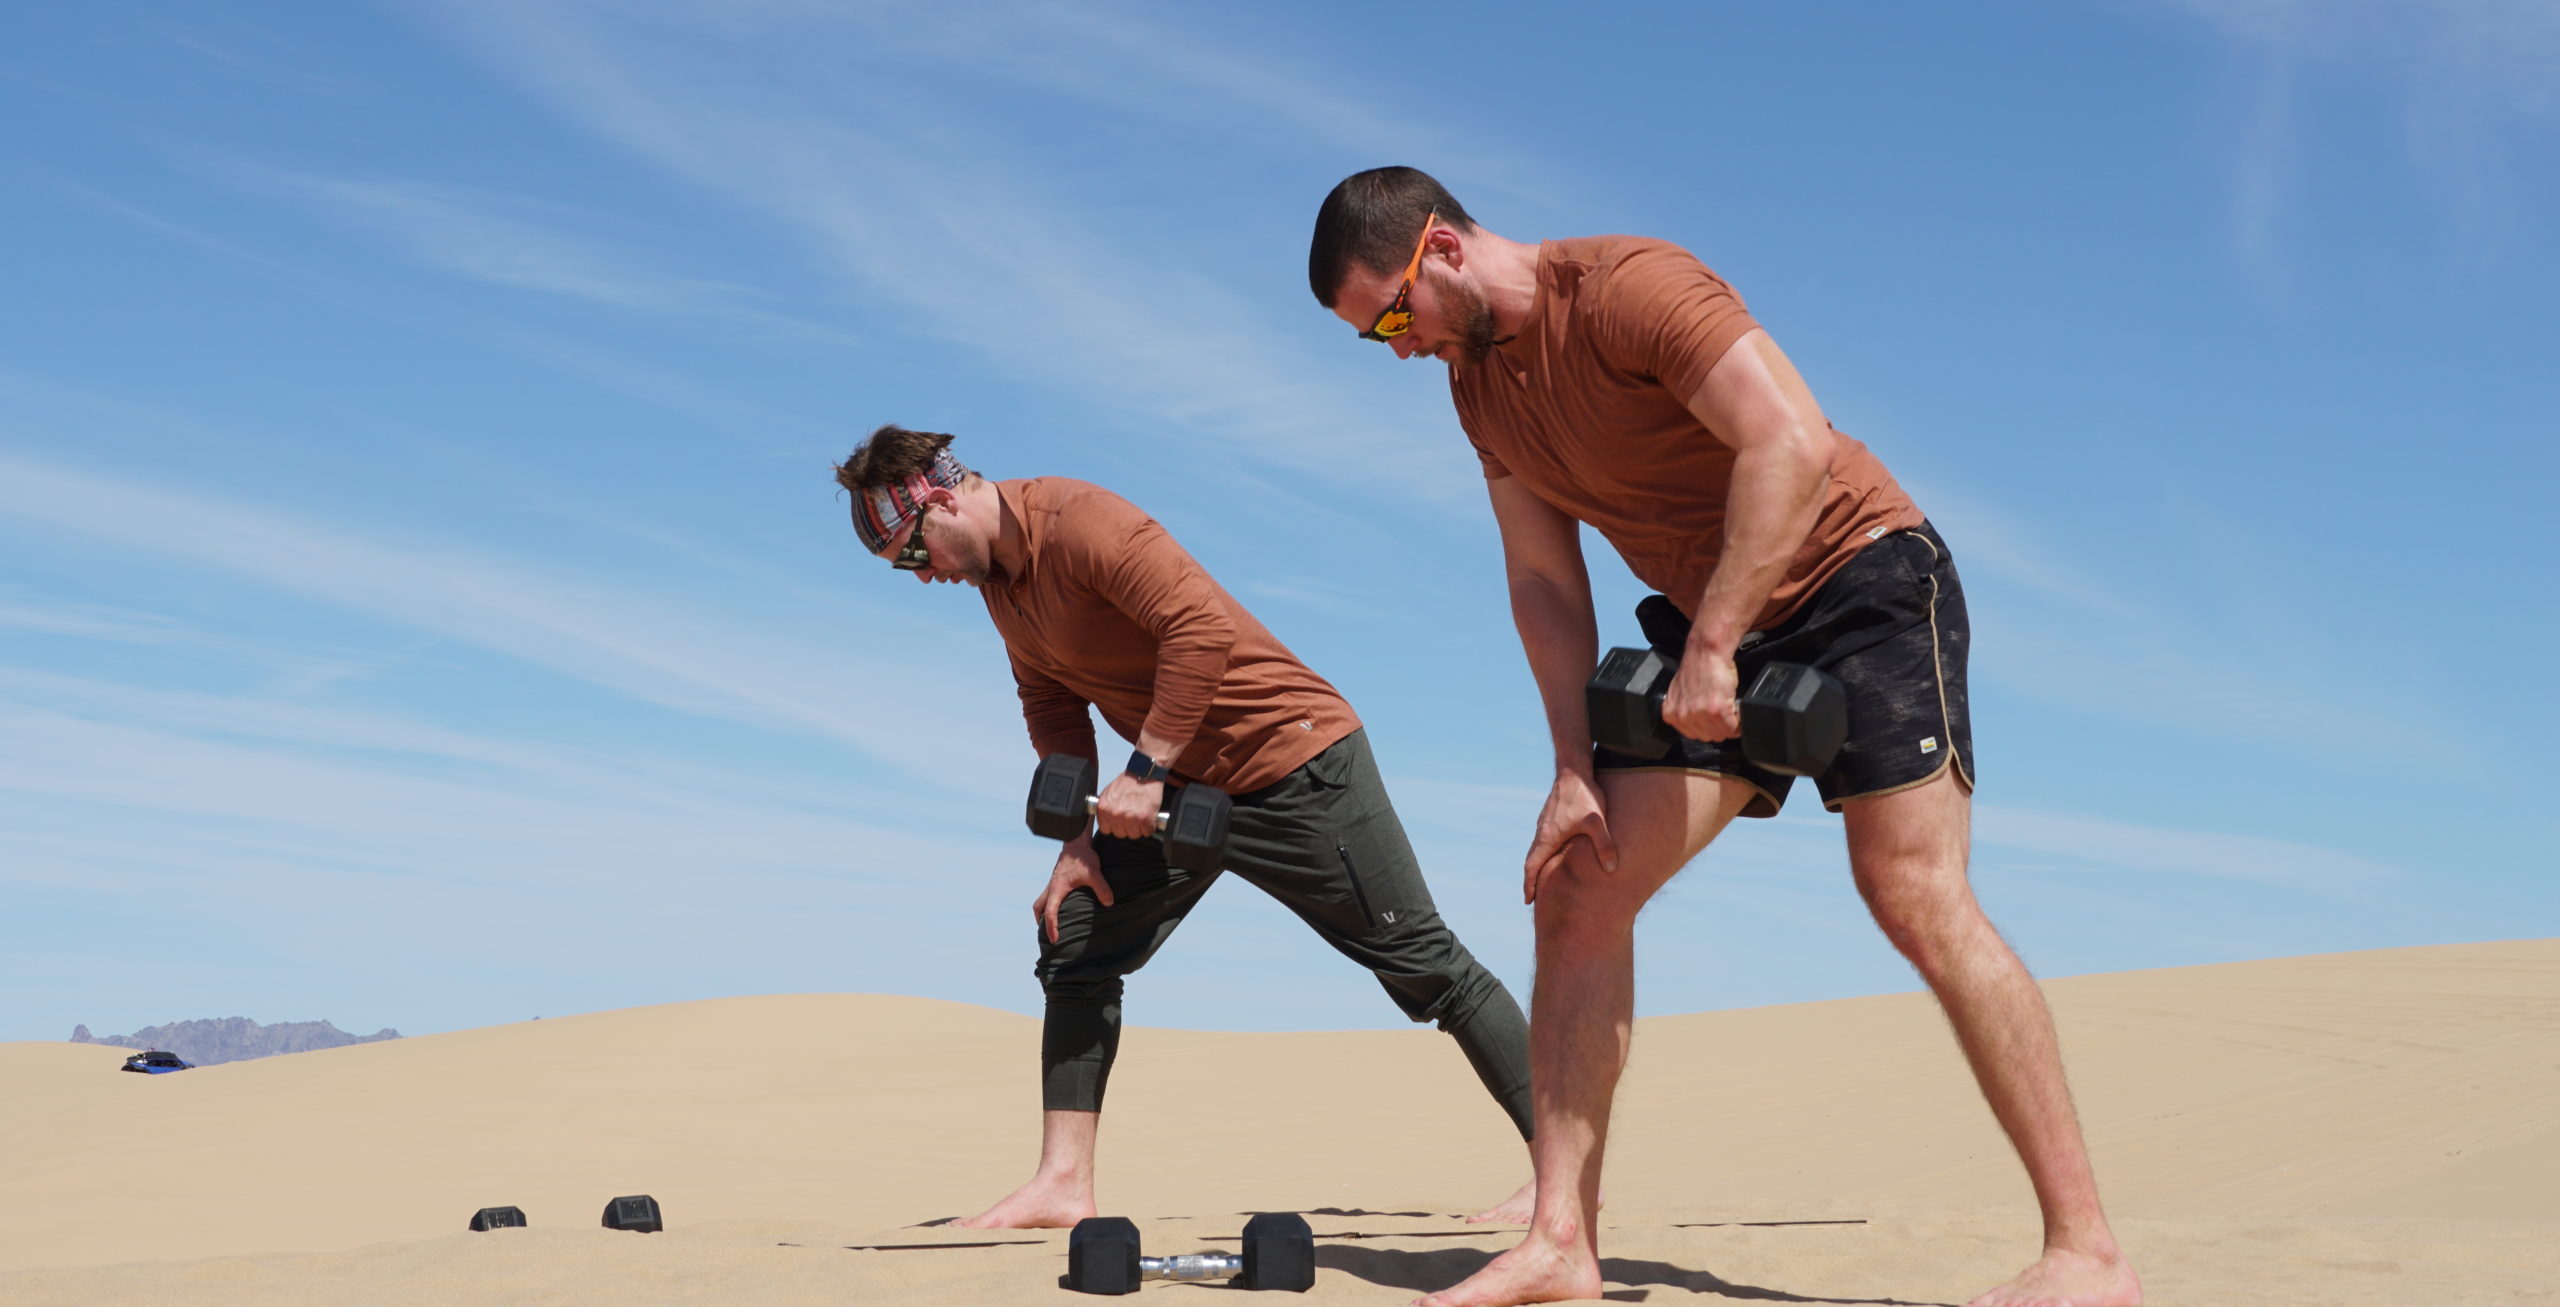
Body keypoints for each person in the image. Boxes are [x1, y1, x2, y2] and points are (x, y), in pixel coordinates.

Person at [1304, 168, 2141, 1307]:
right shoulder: (1479, 394)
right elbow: (1544, 579)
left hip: (1861, 579)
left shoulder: (1631, 287)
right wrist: (1568, 769)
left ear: (1442, 248)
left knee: (1912, 893)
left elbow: (1786, 441)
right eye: (1373, 340)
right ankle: (1560, 1244)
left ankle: (2085, 1253)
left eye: (1394, 315)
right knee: (1578, 881)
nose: (1398, 349)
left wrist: (1714, 649)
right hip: (1718, 625)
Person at [834, 424, 1536, 1228]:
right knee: (1077, 933)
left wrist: (1144, 768)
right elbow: (1051, 701)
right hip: (1183, 790)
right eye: (904, 571)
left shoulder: (1083, 522)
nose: (923, 578)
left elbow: (1198, 628)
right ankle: (1063, 1183)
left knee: (1427, 966)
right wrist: (1074, 841)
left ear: (942, 498)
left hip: (1297, 763)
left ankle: (1563, 1170)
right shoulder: (1004, 587)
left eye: (915, 554)